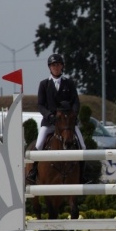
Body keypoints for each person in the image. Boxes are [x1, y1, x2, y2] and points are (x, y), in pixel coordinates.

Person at [25, 53, 88, 185]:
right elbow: (40, 105)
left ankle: (83, 175)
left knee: (82, 145)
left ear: (62, 66)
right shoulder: (44, 84)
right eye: (53, 65)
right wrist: (49, 116)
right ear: (50, 67)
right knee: (39, 144)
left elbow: (76, 102)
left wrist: (73, 115)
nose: (56, 67)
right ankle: (33, 172)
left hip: (67, 124)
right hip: (50, 122)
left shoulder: (69, 83)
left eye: (58, 65)